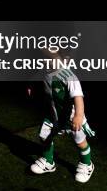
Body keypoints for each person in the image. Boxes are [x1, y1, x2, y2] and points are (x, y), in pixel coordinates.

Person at [30, 55, 96, 183]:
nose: (46, 61)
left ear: (64, 59)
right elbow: (37, 77)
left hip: (71, 119)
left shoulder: (69, 76)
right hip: (53, 116)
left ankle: (87, 164)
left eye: (50, 58)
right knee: (44, 135)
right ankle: (48, 161)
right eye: (44, 57)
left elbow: (78, 97)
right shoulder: (45, 70)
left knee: (80, 142)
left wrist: (78, 116)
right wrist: (31, 86)